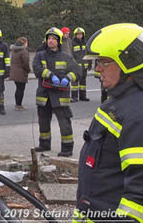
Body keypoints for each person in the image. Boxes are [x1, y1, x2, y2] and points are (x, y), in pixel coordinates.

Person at [72, 23, 143, 223]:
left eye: (105, 62)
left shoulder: (139, 115)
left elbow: (142, 193)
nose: (97, 69)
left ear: (129, 62)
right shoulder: (119, 101)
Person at [32, 27, 80, 157]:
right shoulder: (40, 55)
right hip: (44, 95)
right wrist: (50, 75)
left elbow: (77, 71)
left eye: (53, 38)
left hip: (60, 96)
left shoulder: (66, 57)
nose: (50, 41)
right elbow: (36, 68)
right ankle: (44, 144)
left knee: (64, 122)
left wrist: (67, 78)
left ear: (59, 41)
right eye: (49, 38)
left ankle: (67, 148)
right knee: (43, 121)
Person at [10, 37, 31, 111]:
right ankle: (19, 105)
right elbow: (25, 63)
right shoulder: (23, 51)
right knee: (21, 89)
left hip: (14, 72)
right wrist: (28, 70)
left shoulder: (14, 50)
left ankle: (17, 104)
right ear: (24, 43)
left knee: (18, 88)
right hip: (21, 72)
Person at [71, 27, 91, 102]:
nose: (79, 35)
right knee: (75, 82)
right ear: (75, 35)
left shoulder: (85, 43)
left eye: (81, 34)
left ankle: (83, 96)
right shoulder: (72, 43)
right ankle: (74, 97)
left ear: (83, 35)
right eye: (78, 34)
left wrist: (90, 63)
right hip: (76, 66)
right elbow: (71, 54)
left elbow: (88, 54)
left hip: (84, 66)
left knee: (83, 82)